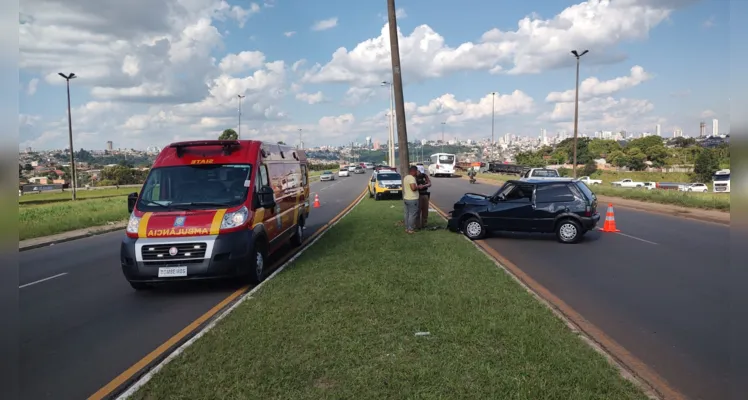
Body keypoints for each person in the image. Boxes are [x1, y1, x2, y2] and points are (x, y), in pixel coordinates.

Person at [402, 165, 422, 234]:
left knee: (407, 214)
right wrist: (419, 187)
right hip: (412, 199)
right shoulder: (411, 178)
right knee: (412, 214)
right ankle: (410, 229)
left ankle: (407, 228)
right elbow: (413, 188)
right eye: (416, 171)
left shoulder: (406, 177)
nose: (417, 172)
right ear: (414, 171)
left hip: (406, 198)